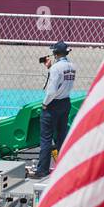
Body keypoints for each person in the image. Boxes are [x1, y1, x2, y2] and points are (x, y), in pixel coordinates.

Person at [33, 41, 77, 178]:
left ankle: (42, 170)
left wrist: (45, 104)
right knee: (61, 136)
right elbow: (62, 80)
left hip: (53, 105)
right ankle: (64, 167)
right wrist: (51, 67)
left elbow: (51, 91)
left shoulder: (56, 68)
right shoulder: (71, 66)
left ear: (55, 53)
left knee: (46, 138)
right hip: (65, 102)